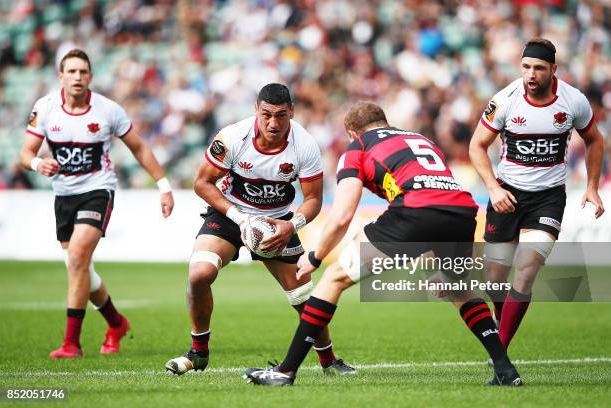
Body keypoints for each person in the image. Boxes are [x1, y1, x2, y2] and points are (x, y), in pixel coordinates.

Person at [245, 101, 522, 386]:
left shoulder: (358, 147)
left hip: (414, 211)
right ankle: (505, 370)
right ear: (384, 122)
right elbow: (436, 195)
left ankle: (285, 371)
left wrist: (315, 257)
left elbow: (341, 216)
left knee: (333, 279)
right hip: (463, 212)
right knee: (459, 291)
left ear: (352, 133)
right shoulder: (418, 138)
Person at [164, 83, 354, 376]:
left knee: (302, 296)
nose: (273, 123)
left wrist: (292, 224)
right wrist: (240, 219)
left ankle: (329, 361)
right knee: (199, 274)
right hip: (231, 214)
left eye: (281, 115)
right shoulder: (231, 137)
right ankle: (198, 353)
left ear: (291, 111)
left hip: (278, 220)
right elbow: (202, 183)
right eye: (266, 115)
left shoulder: (304, 145)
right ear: (256, 109)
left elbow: (314, 199)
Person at [19, 49, 175, 359]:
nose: (77, 77)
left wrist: (164, 186)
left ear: (90, 76)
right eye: (71, 72)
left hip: (98, 190)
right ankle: (116, 323)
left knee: (77, 256)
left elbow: (140, 148)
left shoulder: (108, 110)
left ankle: (71, 344)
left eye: (83, 72)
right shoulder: (45, 108)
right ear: (60, 77)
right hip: (63, 195)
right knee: (79, 267)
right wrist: (38, 164)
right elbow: (25, 153)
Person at [469, 37, 605, 351]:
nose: (531, 75)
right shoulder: (505, 100)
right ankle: (503, 328)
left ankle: (499, 353)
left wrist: (592, 187)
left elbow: (595, 141)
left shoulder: (573, 101)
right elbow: (476, 145)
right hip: (506, 195)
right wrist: (492, 187)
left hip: (548, 198)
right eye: (526, 67)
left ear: (553, 69)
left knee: (527, 270)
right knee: (493, 281)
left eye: (539, 68)